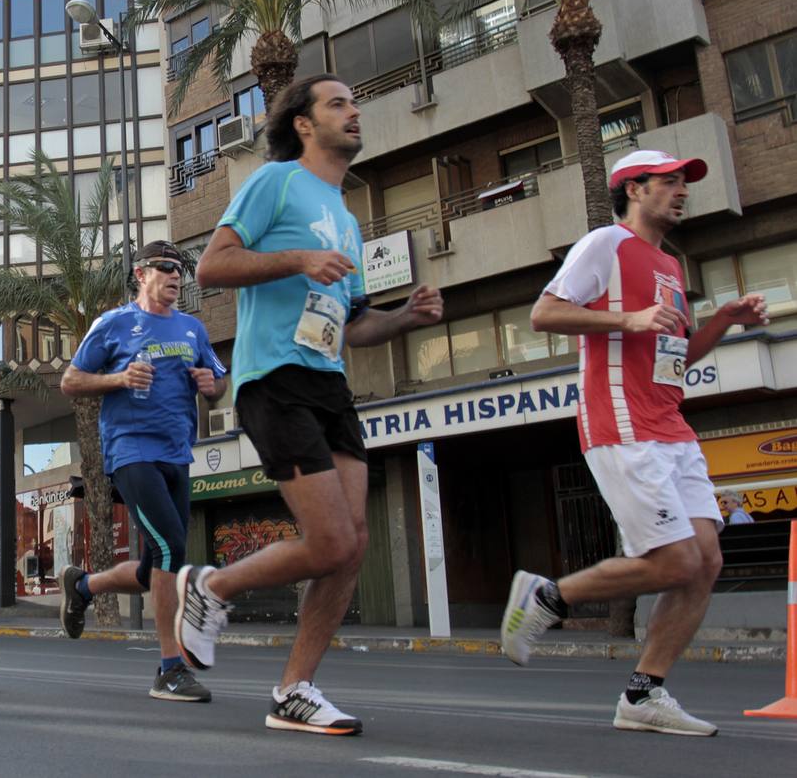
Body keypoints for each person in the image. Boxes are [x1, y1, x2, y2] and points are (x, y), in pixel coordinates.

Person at [177, 75, 444, 735]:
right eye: (339, 104)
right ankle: (211, 587)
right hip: (274, 376)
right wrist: (298, 258)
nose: (355, 113)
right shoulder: (276, 181)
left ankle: (295, 690)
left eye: (355, 103)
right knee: (328, 539)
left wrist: (404, 317)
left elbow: (351, 322)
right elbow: (211, 268)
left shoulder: (347, 218)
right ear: (303, 122)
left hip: (328, 381)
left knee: (349, 547)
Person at [503, 149, 769, 736]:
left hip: (671, 425)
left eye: (684, 183)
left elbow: (676, 356)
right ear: (635, 188)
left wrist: (722, 318)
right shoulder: (606, 243)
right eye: (669, 182)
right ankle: (547, 596)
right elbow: (544, 314)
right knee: (674, 560)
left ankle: (643, 695)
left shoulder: (670, 265)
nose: (681, 191)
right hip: (621, 422)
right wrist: (628, 320)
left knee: (704, 565)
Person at [57, 241, 227, 703]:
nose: (177, 276)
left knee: (156, 564)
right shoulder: (113, 324)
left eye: (182, 271)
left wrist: (213, 386)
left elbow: (217, 380)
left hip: (178, 454)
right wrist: (118, 378)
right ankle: (170, 669)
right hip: (131, 451)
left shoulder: (193, 329)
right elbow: (71, 381)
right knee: (172, 547)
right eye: (167, 268)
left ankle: (85, 584)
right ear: (141, 273)